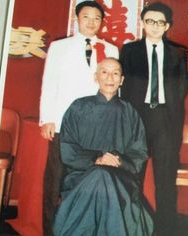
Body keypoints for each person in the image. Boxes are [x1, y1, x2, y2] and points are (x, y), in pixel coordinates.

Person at [39, 1, 118, 235]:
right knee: (55, 180)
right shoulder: (59, 47)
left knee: (89, 179)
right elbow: (49, 83)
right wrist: (47, 118)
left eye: (96, 18)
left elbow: (114, 90)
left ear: (101, 22)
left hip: (95, 126)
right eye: (86, 17)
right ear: (77, 19)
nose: (91, 22)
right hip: (64, 124)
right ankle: (50, 231)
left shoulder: (110, 50)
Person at [53, 58, 154, 236]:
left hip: (120, 175)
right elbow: (68, 149)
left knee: (104, 176)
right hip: (82, 175)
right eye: (104, 72)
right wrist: (96, 159)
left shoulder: (130, 112)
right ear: (96, 77)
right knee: (100, 174)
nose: (110, 78)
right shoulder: (78, 107)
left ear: (121, 80)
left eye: (115, 73)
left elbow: (139, 152)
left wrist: (119, 160)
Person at [120, 2, 188, 236]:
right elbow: (125, 87)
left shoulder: (178, 53)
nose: (154, 26)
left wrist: (167, 112)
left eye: (160, 22)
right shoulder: (129, 51)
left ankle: (166, 230)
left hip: (165, 120)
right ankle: (133, 227)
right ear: (142, 23)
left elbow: (182, 88)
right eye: (150, 21)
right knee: (133, 176)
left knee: (166, 179)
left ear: (167, 26)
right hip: (137, 120)